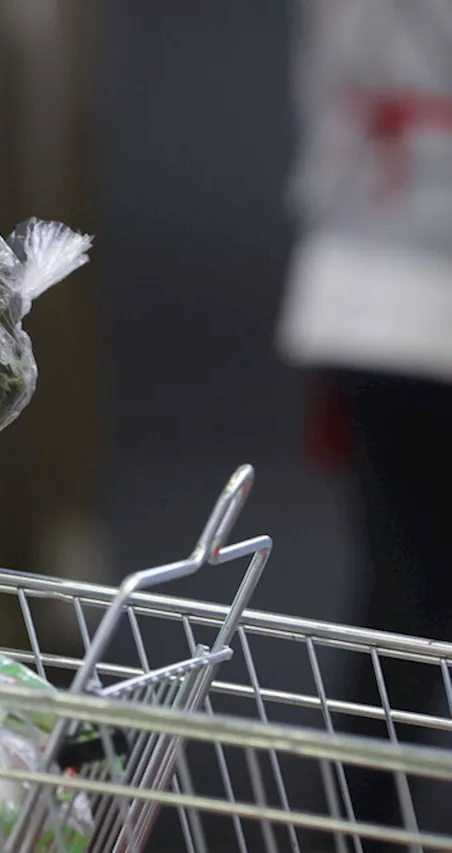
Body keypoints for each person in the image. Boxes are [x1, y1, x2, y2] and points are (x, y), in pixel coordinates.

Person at [278, 0, 452, 842]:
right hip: (397, 281)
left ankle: (366, 826)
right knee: (403, 592)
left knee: (398, 589)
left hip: (362, 284)